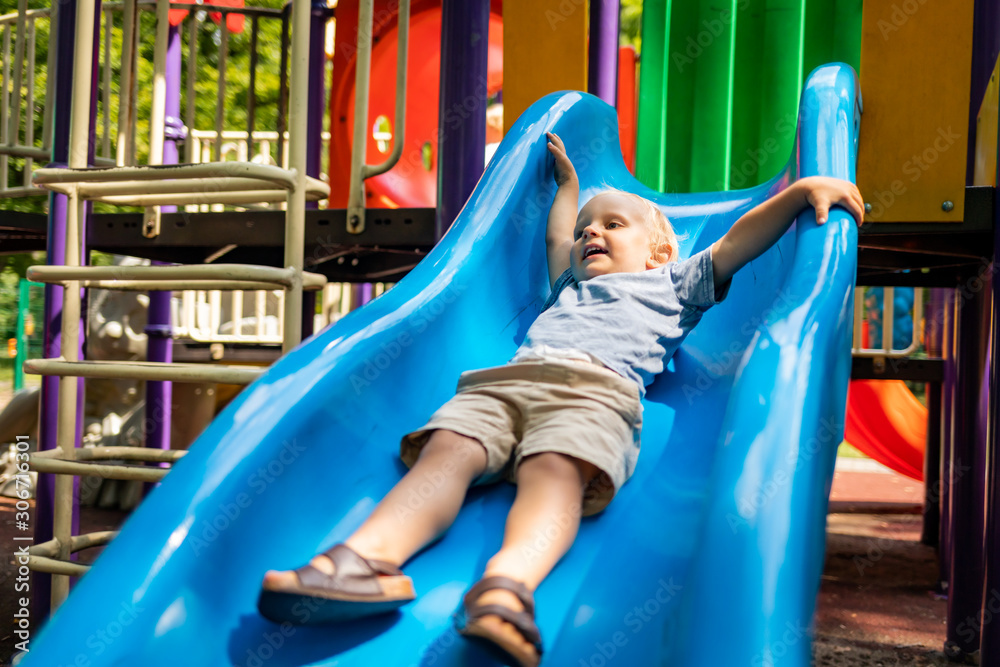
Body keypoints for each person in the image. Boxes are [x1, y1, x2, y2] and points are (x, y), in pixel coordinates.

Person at [257, 132, 864, 667]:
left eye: (612, 226)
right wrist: (570, 186)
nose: (590, 234)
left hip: (595, 392)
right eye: (585, 230)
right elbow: (557, 233)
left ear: (658, 252)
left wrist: (798, 194)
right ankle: (362, 559)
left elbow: (737, 242)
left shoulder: (673, 284)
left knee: (556, 471)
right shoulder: (570, 285)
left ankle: (506, 588)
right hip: (503, 383)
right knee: (448, 451)